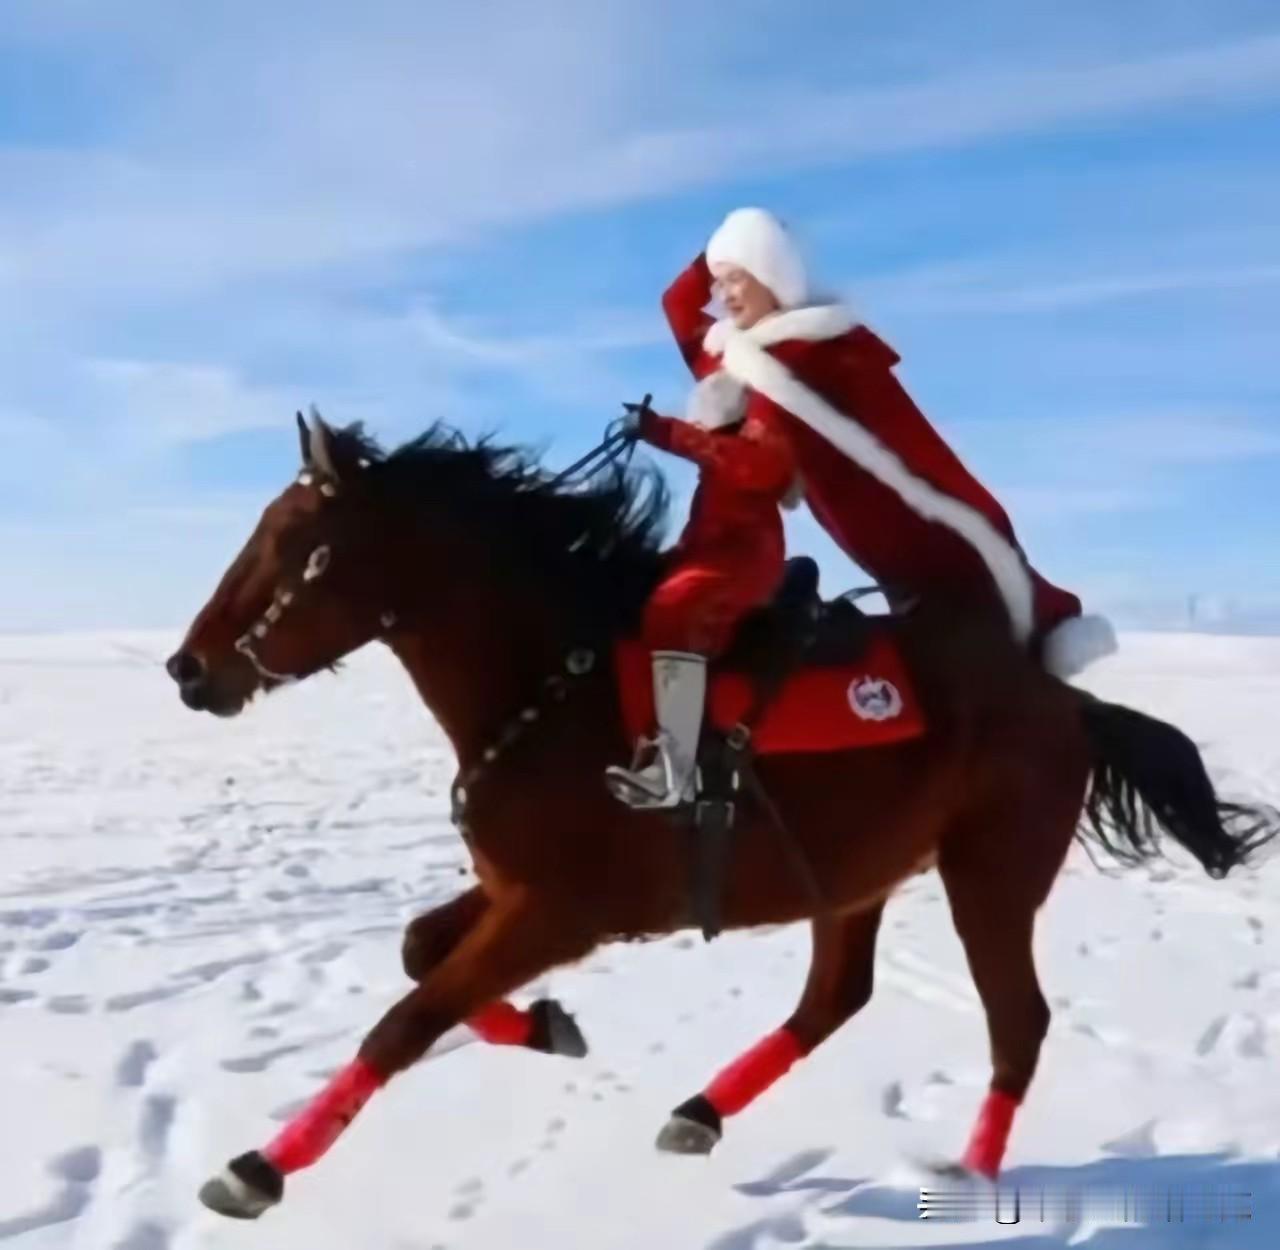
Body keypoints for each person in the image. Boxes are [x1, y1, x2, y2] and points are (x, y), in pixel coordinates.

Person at [652, 206, 1116, 679]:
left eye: (738, 279)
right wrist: (730, 242)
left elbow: (762, 461)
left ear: (773, 277)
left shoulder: (807, 356)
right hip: (849, 520)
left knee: (960, 597)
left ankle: (1036, 657)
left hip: (888, 513)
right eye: (720, 282)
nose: (724, 295)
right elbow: (678, 303)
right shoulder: (737, 356)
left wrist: (668, 433)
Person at [603, 342, 799, 811]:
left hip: (745, 563)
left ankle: (675, 772)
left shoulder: (762, 446)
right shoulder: (721, 457)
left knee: (675, 607)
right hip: (713, 557)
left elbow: (728, 457)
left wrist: (661, 431)